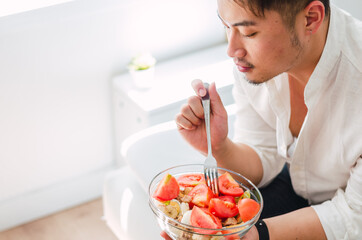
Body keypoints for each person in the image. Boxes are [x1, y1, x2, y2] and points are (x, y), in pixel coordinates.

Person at [168, 0, 362, 239]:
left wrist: (254, 235)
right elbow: (263, 153)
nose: (232, 50)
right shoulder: (256, 63)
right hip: (293, 184)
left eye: (249, 33)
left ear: (310, 19)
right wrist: (220, 145)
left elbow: (354, 216)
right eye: (227, 27)